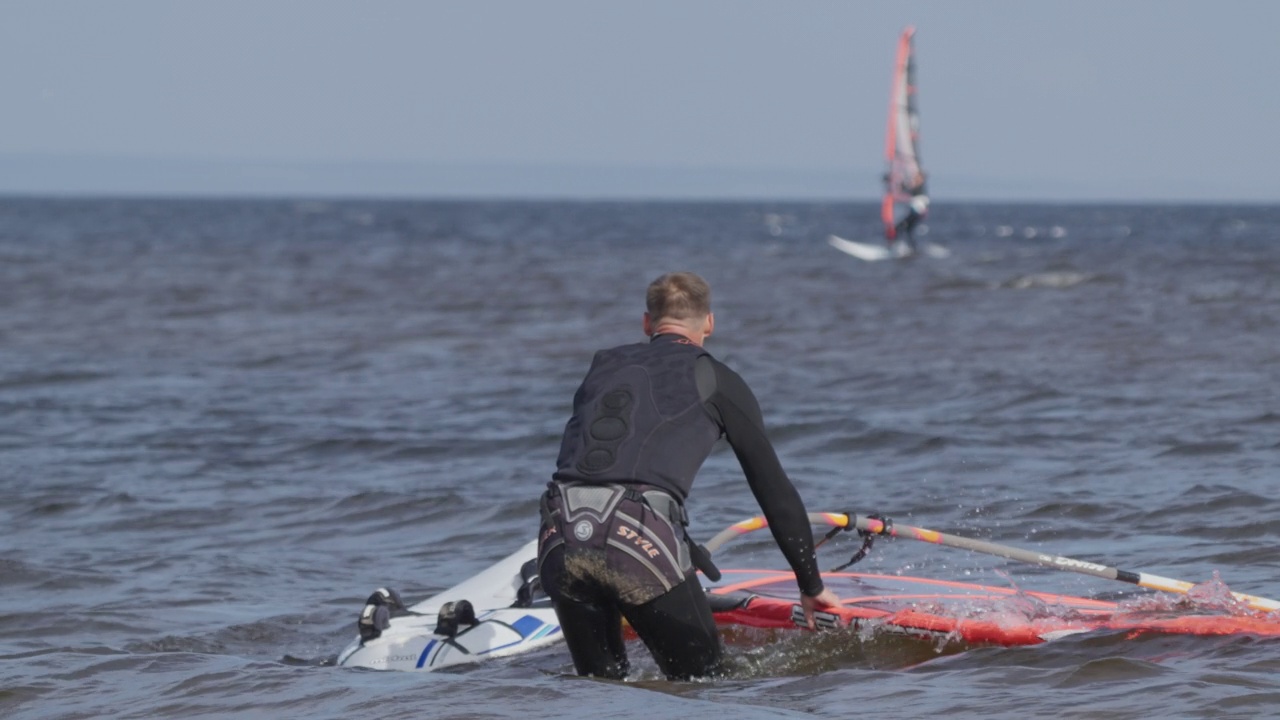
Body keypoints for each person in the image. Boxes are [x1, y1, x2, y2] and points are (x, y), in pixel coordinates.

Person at [536, 271, 841, 680]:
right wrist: (811, 585)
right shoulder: (717, 378)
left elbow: (609, 462)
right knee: (710, 686)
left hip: (559, 534)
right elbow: (774, 490)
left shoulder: (602, 366)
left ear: (648, 323)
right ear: (709, 323)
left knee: (599, 690)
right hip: (635, 538)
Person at [887, 171, 929, 253]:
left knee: (900, 228)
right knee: (908, 230)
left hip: (915, 214)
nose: (915, 179)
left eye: (917, 178)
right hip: (915, 213)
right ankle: (911, 248)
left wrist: (900, 184)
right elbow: (908, 190)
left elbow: (909, 189)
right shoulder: (918, 188)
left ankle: (897, 247)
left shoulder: (919, 188)